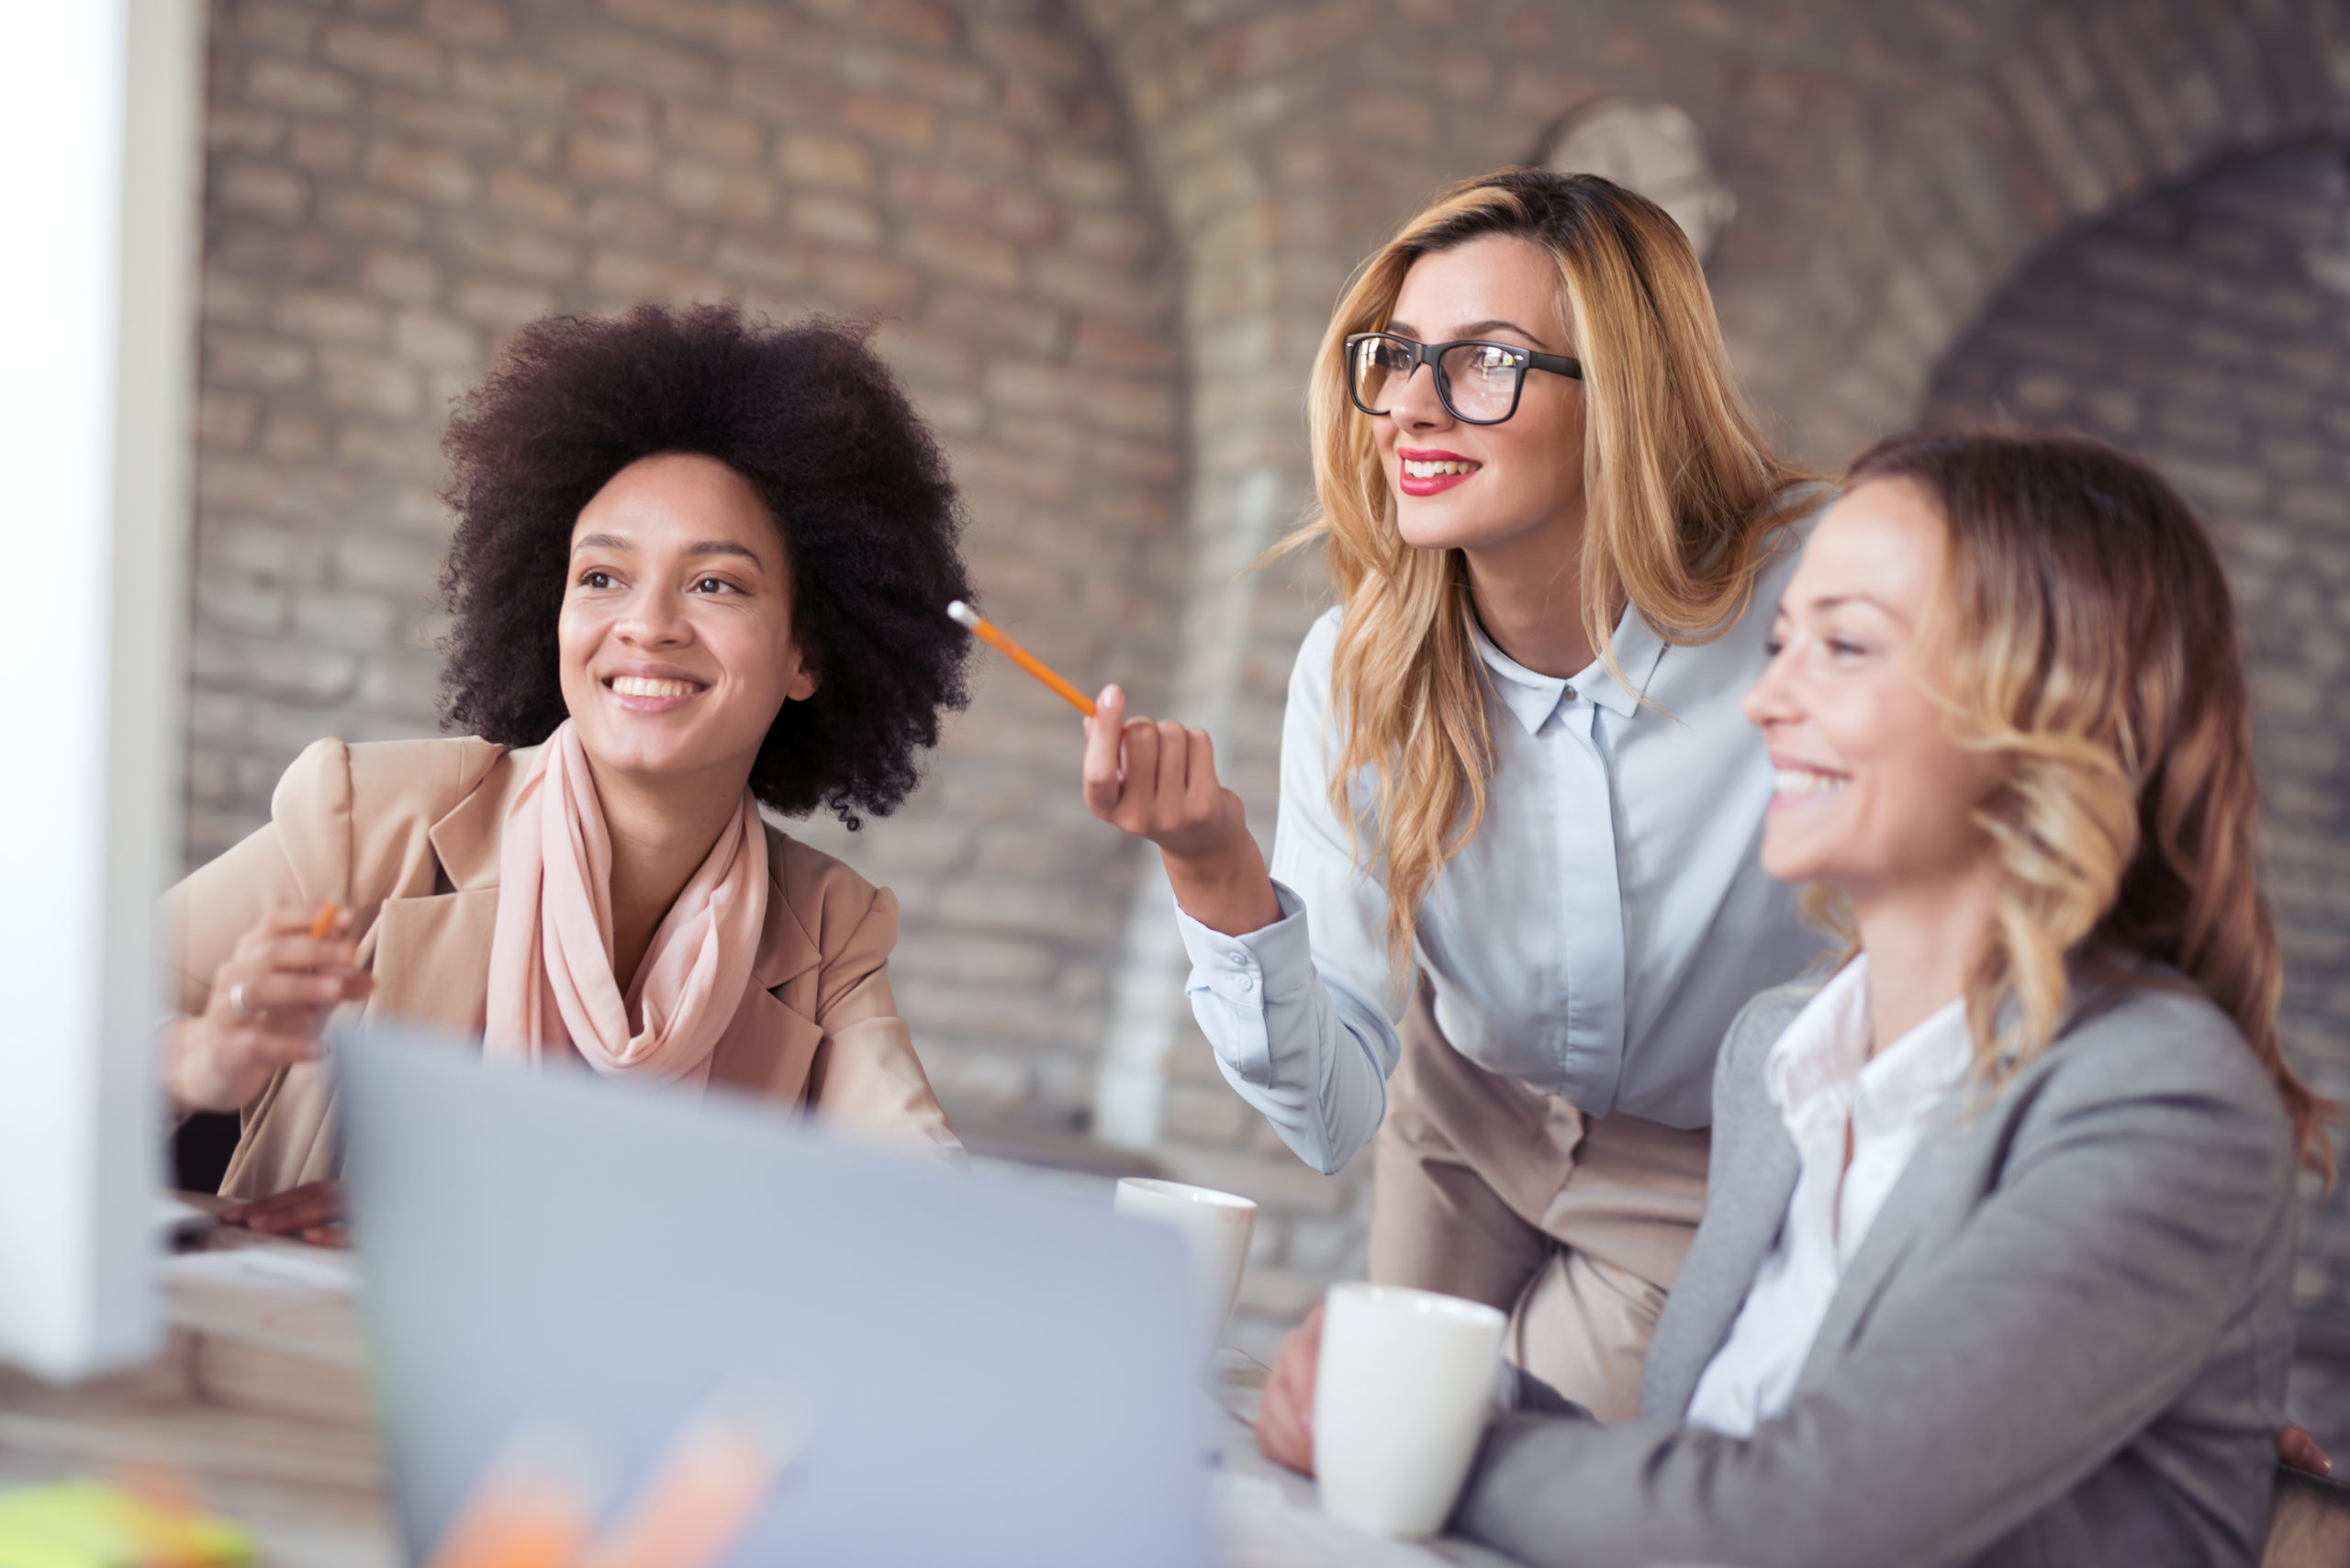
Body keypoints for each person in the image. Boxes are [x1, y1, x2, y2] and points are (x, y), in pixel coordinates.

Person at [1276, 431, 2331, 1566]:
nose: (1767, 699)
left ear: (2037, 704)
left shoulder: (2162, 1103)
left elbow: (1797, 1521)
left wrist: (1422, 1443)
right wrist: (1458, 1395)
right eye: (1781, 643)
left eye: (1844, 646)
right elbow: (1708, 1456)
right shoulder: (1782, 1049)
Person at [1080, 168, 1823, 1416]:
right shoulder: (1362, 669)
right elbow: (1331, 1114)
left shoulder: (1814, 595)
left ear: (1625, 400)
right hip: (1465, 1128)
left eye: (1487, 364)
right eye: (1397, 356)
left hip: (1699, 1169)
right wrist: (1216, 872)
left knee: (1482, 1477)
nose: (1412, 409)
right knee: (1381, 1468)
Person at [165, 304, 971, 1235]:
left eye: (715, 583)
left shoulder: (829, 931)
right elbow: (59, 1035)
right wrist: (197, 1058)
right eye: (602, 576)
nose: (648, 624)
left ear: (806, 656)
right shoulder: (366, 823)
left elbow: (926, 1216)